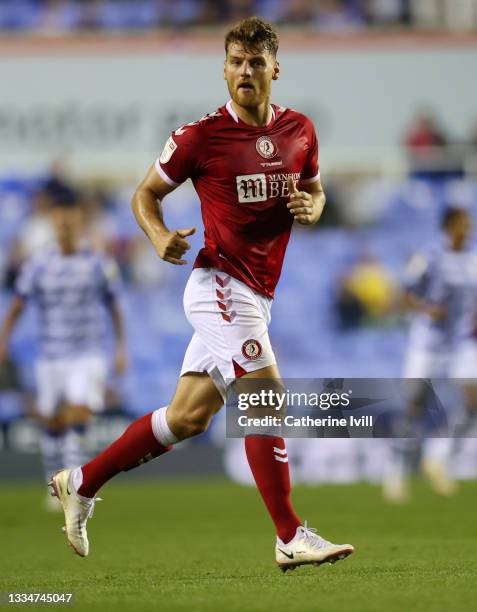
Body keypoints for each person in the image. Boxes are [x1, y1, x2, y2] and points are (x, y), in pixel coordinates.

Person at [49, 16, 354, 571]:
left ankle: (81, 481)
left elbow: (313, 189)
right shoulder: (200, 136)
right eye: (236, 62)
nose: (245, 71)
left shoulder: (301, 131)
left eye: (255, 63)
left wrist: (316, 206)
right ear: (224, 69)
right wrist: (159, 233)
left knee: (186, 419)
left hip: (259, 293)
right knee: (268, 396)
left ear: (274, 70)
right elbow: (145, 193)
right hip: (219, 283)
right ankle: (289, 534)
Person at [0, 201, 126, 509]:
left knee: (78, 412)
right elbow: (18, 306)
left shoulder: (98, 263)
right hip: (50, 355)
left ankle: (73, 487)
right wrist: (4, 340)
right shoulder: (38, 265)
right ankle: (53, 485)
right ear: (54, 228)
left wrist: (121, 347)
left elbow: (114, 307)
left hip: (87, 353)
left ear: (79, 225)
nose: (65, 229)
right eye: (60, 224)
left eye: (70, 223)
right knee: (53, 421)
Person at [383, 207, 477, 502]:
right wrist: (428, 309)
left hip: (459, 342)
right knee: (415, 405)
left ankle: (437, 456)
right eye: (463, 222)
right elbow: (405, 294)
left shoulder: (472, 260)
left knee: (473, 398)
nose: (469, 227)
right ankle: (395, 471)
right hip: (426, 343)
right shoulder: (429, 256)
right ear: (449, 226)